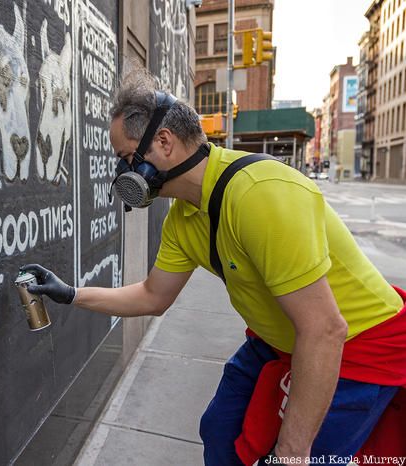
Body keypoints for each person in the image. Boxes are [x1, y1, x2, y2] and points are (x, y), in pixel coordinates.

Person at [20, 70, 406, 466]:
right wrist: (70, 293)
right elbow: (153, 296)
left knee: (299, 455)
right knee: (221, 429)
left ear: (164, 143)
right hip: (282, 339)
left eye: (125, 158)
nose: (122, 174)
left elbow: (326, 330)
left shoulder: (260, 193)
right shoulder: (184, 218)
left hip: (357, 347)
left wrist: (292, 453)